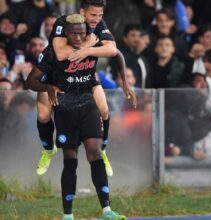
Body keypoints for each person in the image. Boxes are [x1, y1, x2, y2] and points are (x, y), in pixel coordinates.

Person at [26, 14, 126, 220]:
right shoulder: (53, 53)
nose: (79, 37)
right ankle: (68, 214)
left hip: (87, 104)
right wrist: (48, 87)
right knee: (70, 160)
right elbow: (30, 80)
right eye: (74, 33)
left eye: (82, 33)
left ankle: (107, 211)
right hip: (64, 108)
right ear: (66, 34)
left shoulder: (92, 44)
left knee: (94, 152)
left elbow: (117, 55)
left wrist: (125, 83)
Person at [35, 0, 136, 177]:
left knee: (104, 109)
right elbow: (59, 53)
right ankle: (48, 149)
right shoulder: (62, 22)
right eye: (93, 15)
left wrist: (87, 51)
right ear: (82, 12)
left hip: (84, 78)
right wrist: (90, 44)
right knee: (43, 116)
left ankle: (103, 150)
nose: (97, 19)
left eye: (100, 15)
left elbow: (113, 51)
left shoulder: (99, 24)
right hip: (56, 78)